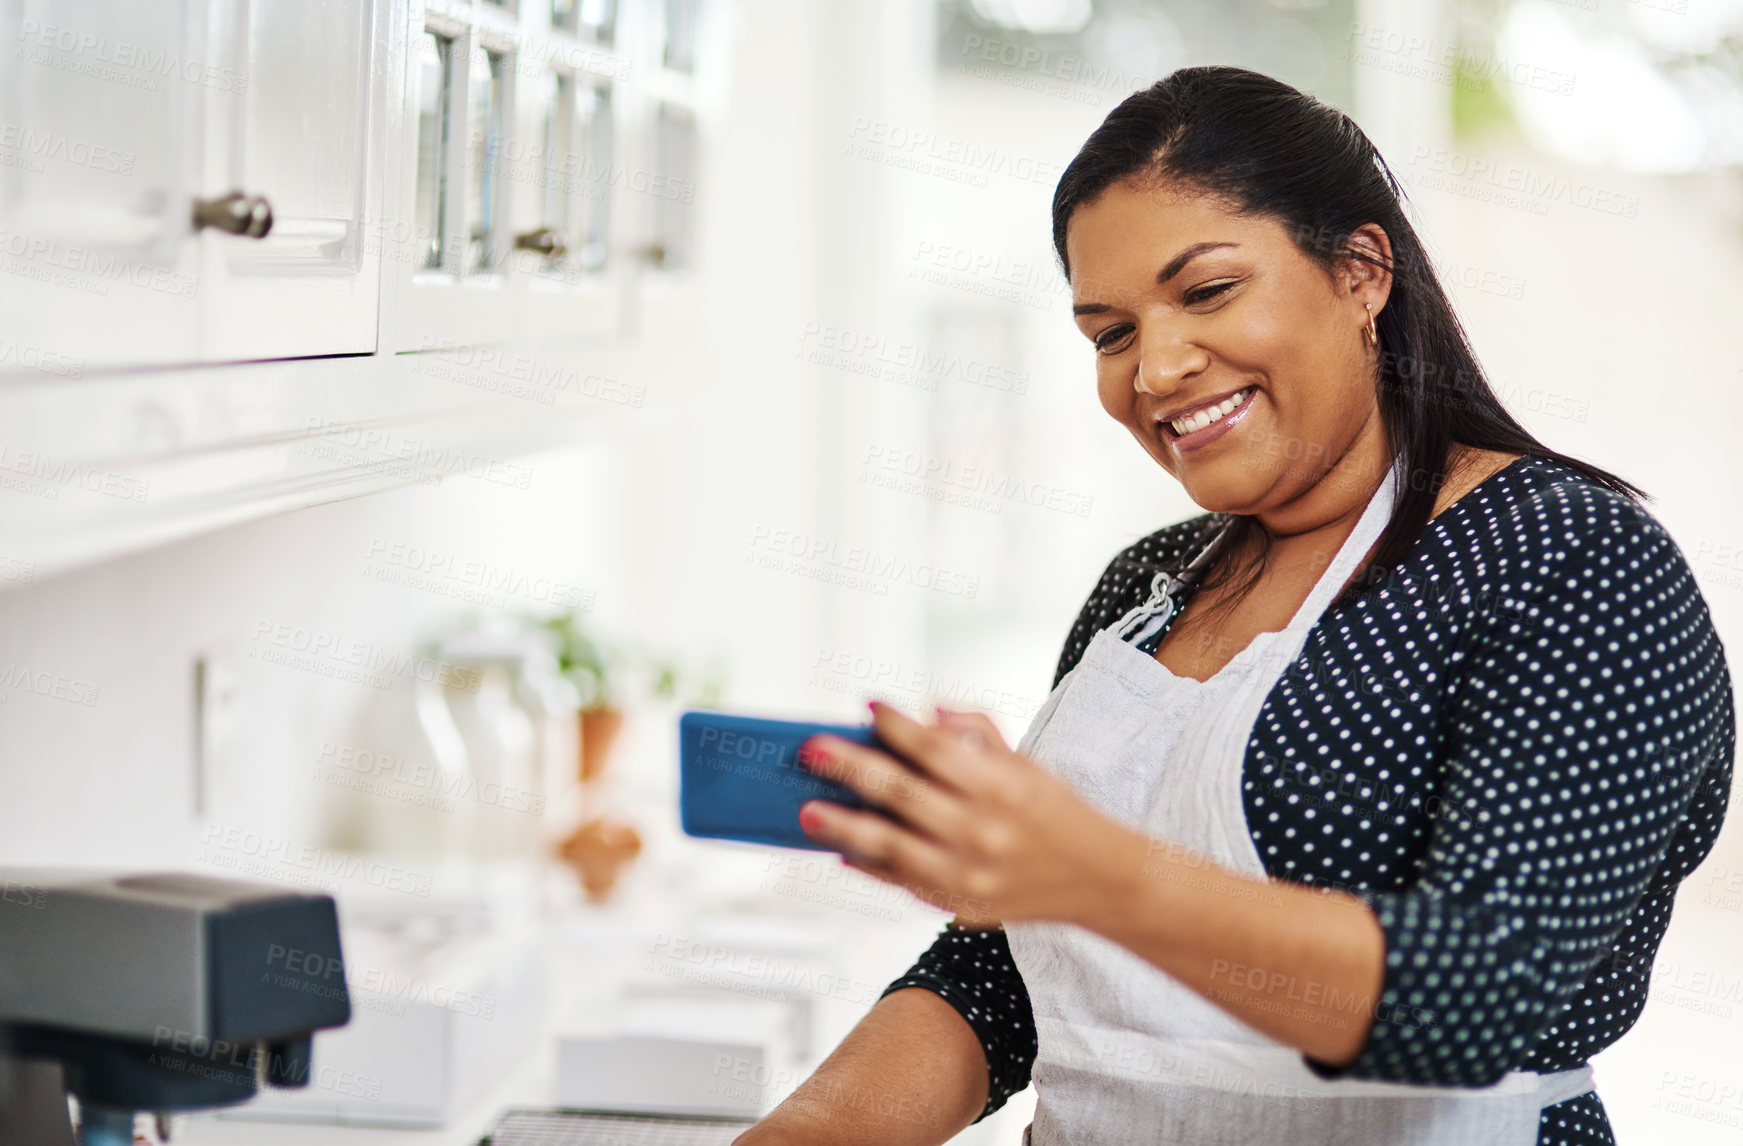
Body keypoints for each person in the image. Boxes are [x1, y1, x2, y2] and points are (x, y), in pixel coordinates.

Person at [732, 65, 1735, 1146]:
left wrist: (1085, 869)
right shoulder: (1149, 587)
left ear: (1361, 271)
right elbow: (1004, 976)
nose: (1155, 368)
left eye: (1206, 292)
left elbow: (1482, 994)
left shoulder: (1572, 560)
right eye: (1110, 334)